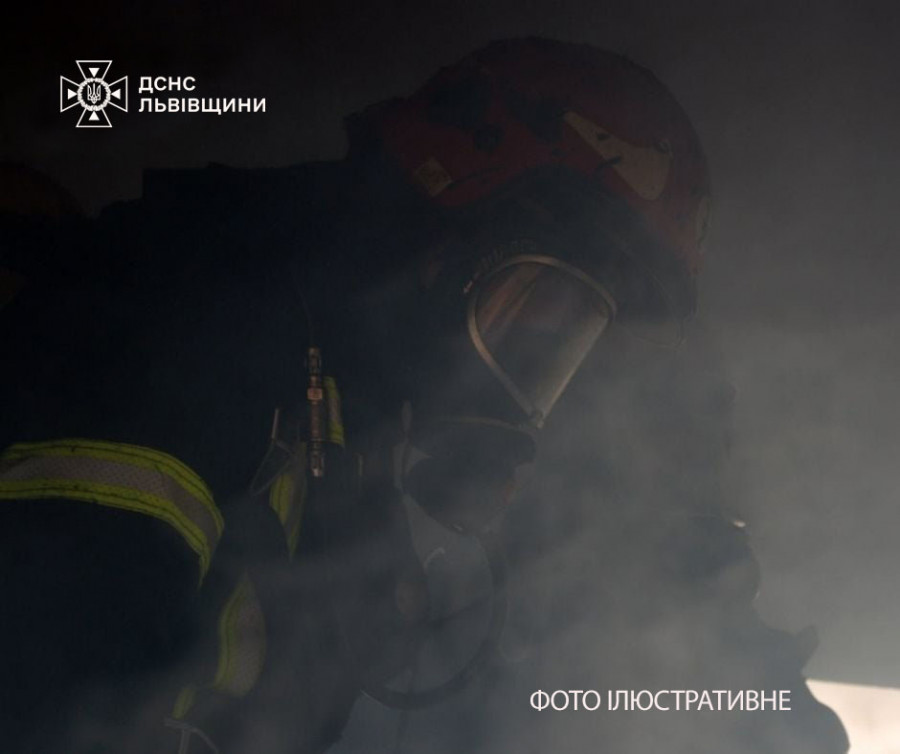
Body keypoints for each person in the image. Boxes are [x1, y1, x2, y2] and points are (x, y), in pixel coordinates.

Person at [0, 38, 847, 753]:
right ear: (438, 239)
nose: (532, 402)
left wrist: (684, 540)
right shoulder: (171, 333)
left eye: (575, 360)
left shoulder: (364, 439)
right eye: (539, 317)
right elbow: (52, 685)